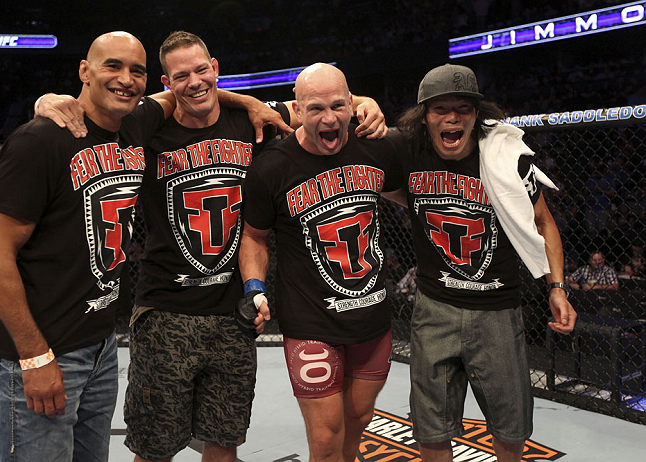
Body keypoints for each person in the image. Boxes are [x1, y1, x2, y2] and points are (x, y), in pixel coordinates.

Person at [36, 31, 387, 462]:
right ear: (166, 83)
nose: (195, 82)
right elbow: (94, 112)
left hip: (233, 314)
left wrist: (366, 101)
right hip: (166, 310)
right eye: (180, 76)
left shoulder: (257, 119)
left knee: (224, 447)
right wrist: (48, 100)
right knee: (154, 448)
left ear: (216, 69)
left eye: (202, 70)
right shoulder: (148, 126)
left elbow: (321, 105)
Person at [0, 31, 166, 462]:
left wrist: (248, 102)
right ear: (84, 70)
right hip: (43, 349)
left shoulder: (135, 125)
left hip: (99, 345)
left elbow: (186, 96)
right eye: (112, 65)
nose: (126, 79)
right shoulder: (40, 140)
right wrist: (34, 358)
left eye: (138, 70)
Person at [392, 64, 576, 462]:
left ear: (477, 114)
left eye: (463, 108)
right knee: (430, 429)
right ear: (425, 116)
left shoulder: (507, 161)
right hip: (434, 308)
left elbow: (544, 222)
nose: (453, 117)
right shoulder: (407, 151)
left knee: (511, 430)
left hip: (497, 310)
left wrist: (557, 287)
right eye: (441, 109)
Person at [238, 63, 402, 462]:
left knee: (358, 419)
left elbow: (413, 199)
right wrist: (254, 287)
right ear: (297, 110)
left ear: (352, 105)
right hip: (310, 320)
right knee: (325, 438)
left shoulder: (377, 146)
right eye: (315, 109)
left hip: (370, 315)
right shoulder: (272, 166)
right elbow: (254, 237)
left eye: (337, 106)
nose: (328, 118)